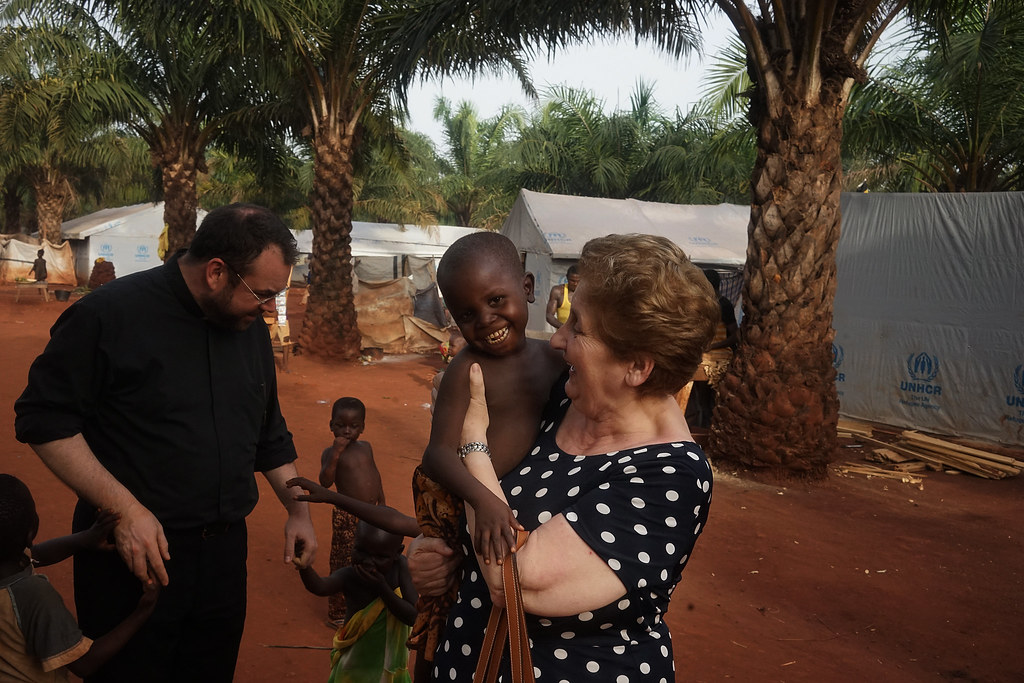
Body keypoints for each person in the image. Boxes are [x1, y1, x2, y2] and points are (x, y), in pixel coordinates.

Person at [13, 203, 318, 682]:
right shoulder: (108, 316)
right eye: (262, 295)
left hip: (221, 560)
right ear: (217, 272)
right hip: (130, 558)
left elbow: (268, 431)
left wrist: (297, 510)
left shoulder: (248, 327)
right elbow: (42, 420)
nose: (267, 310)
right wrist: (126, 510)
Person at [409, 233, 720, 682]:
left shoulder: (669, 475)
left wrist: (472, 441)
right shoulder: (562, 396)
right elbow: (483, 506)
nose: (556, 340)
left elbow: (513, 579)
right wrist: (436, 553)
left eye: (578, 328)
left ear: (637, 366)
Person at [407, 231, 566, 676]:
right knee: (438, 602)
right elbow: (438, 455)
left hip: (496, 511)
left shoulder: (556, 362)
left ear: (528, 288)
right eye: (467, 314)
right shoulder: (466, 369)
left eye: (497, 300)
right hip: (457, 499)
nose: (486, 320)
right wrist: (485, 499)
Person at [0, 474, 159, 681]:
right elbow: (84, 664)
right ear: (32, 532)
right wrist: (143, 611)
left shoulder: (11, 567)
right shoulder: (34, 595)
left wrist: (85, 539)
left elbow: (35, 555)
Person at [296, 521, 418, 683]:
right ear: (354, 543)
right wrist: (304, 567)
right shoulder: (350, 575)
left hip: (391, 667)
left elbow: (413, 616)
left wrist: (382, 589)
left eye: (380, 556)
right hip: (355, 664)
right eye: (361, 551)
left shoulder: (401, 567)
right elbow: (320, 587)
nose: (368, 562)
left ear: (397, 553)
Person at [319, 396, 385, 623]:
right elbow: (325, 482)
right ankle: (338, 612)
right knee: (343, 560)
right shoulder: (330, 453)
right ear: (331, 426)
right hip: (347, 516)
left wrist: (383, 503)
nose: (347, 431)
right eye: (340, 425)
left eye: (353, 426)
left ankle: (364, 603)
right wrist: (336, 453)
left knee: (371, 558)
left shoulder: (366, 448)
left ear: (362, 428)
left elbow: (375, 475)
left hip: (372, 514)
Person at [685, 268, 739, 430]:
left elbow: (735, 335)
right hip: (701, 358)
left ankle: (708, 431)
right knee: (700, 401)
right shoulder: (698, 305)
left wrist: (713, 345)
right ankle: (701, 430)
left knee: (711, 401)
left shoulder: (724, 305)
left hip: (718, 361)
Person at [544, 263, 579, 329]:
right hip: (564, 335)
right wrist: (565, 329)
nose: (575, 284)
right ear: (567, 277)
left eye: (578, 281)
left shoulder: (587, 294)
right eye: (572, 281)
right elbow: (549, 316)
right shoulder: (558, 292)